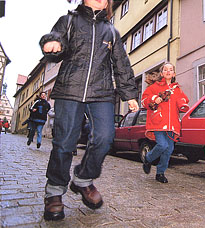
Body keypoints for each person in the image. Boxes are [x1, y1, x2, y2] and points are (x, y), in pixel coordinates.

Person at [39, 0, 139, 221]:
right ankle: (54, 192)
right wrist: (52, 44)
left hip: (101, 92)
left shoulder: (111, 31)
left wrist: (129, 94)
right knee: (64, 142)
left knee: (105, 137)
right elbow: (57, 42)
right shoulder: (69, 21)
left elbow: (121, 64)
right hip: (70, 90)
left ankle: (83, 179)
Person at [141, 63, 189, 183]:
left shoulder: (177, 89)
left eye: (171, 70)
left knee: (168, 149)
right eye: (165, 70)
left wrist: (182, 105)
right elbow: (144, 100)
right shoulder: (154, 87)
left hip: (172, 124)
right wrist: (153, 99)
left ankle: (160, 173)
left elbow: (183, 100)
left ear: (174, 74)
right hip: (158, 121)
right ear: (162, 73)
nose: (168, 71)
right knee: (162, 145)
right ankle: (148, 158)